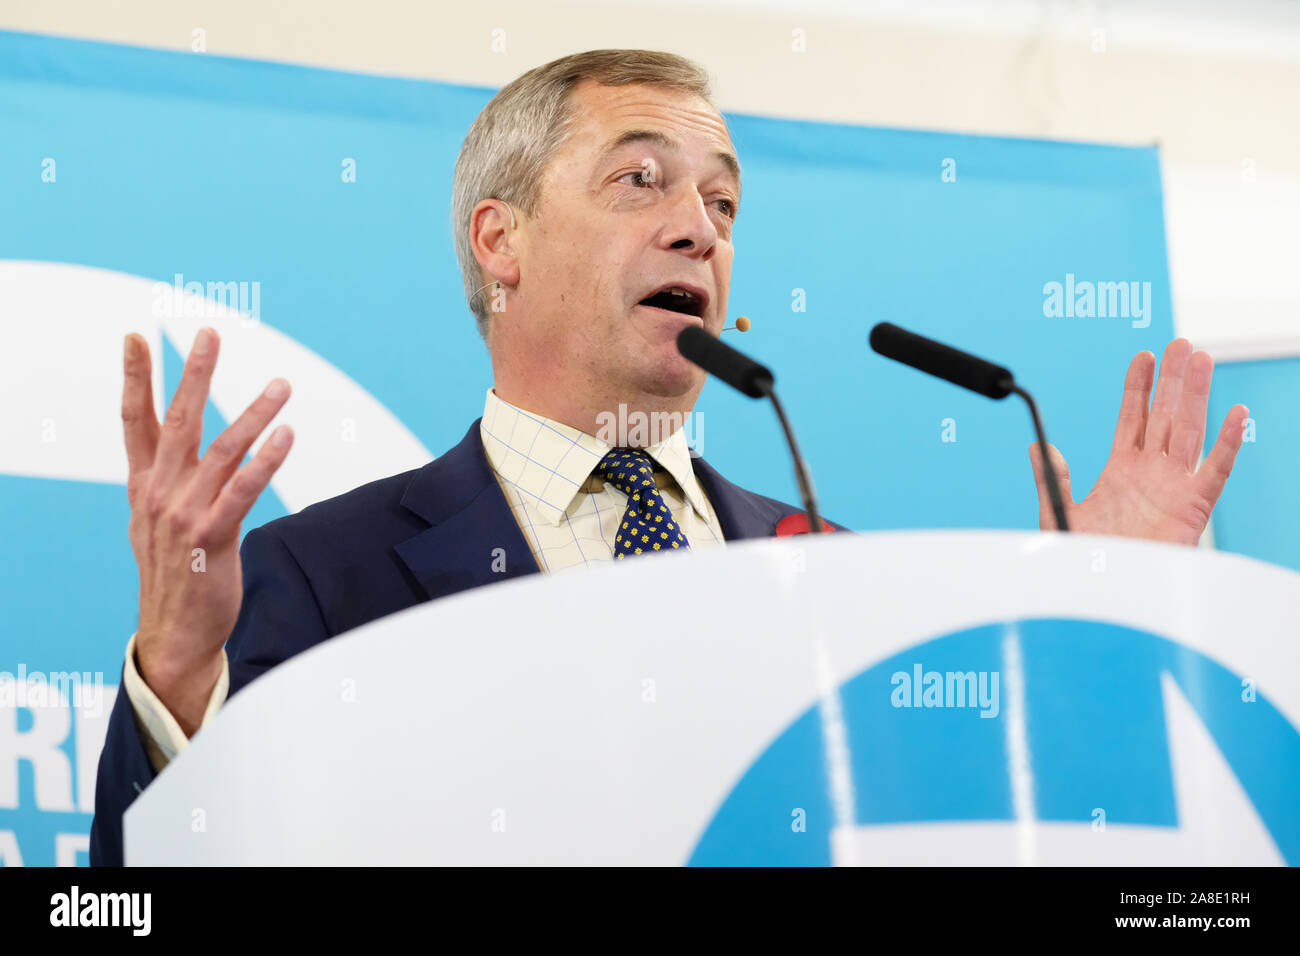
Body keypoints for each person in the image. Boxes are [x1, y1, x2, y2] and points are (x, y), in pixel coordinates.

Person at [89, 49, 1248, 866]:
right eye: (639, 179)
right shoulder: (318, 572)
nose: (700, 225)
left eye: (724, 201)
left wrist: (1103, 635)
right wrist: (181, 677)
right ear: (501, 240)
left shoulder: (833, 570)